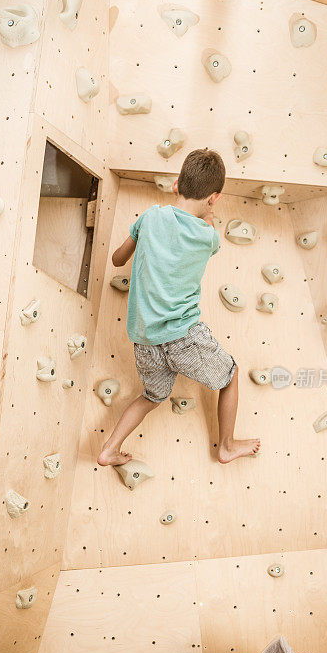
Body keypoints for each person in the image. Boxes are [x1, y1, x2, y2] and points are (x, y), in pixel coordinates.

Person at [98, 148, 260, 467]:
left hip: (144, 341)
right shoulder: (208, 236)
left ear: (176, 185)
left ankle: (110, 449)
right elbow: (208, 225)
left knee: (151, 396)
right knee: (230, 375)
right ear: (214, 198)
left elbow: (117, 259)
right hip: (183, 337)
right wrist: (207, 213)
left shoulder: (150, 217)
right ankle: (226, 445)